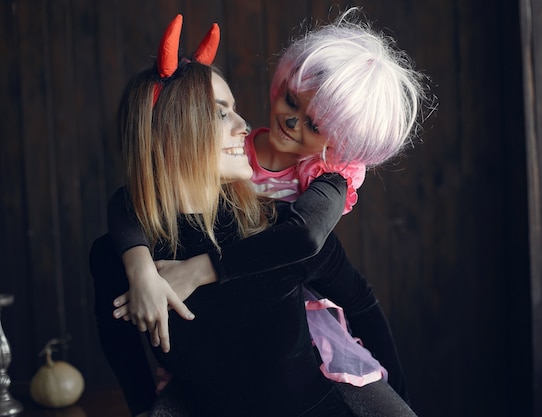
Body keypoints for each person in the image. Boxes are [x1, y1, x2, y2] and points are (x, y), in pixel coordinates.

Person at [91, 13, 419, 417]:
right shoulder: (121, 247)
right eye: (221, 112)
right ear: (174, 127)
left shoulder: (292, 220)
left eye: (315, 125)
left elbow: (321, 254)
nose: (246, 125)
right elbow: (132, 203)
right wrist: (139, 267)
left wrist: (197, 270)